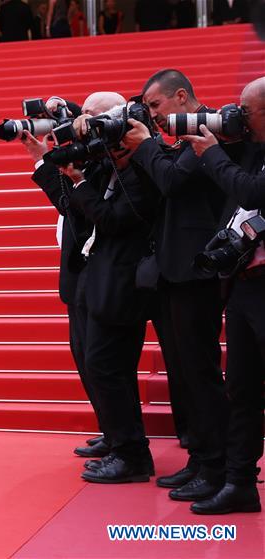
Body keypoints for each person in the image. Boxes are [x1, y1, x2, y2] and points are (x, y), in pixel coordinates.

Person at [122, 69, 229, 501]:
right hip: (175, 269)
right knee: (186, 373)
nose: (152, 115)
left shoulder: (211, 128)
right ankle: (201, 459)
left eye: (156, 105)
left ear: (181, 96)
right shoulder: (181, 140)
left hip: (197, 272)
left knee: (201, 372)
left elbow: (172, 181)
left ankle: (217, 466)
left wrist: (146, 145)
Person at [21, 92, 126, 460]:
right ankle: (111, 432)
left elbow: (85, 208)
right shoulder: (85, 158)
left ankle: (124, 442)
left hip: (104, 274)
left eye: (91, 116)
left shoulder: (114, 160)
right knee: (85, 357)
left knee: (103, 362)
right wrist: (44, 157)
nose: (83, 123)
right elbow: (67, 204)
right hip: (78, 275)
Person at [180, 77, 264, 515]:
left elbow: (252, 192)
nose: (240, 118)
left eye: (246, 112)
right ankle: (239, 483)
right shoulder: (252, 149)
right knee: (241, 389)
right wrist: (225, 142)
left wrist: (211, 152)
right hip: (244, 283)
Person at [65, 106, 161, 483]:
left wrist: (79, 182)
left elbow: (113, 219)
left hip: (123, 288)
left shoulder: (141, 174)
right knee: (104, 367)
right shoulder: (109, 169)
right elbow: (73, 205)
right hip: (104, 284)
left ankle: (132, 455)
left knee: (107, 368)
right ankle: (125, 448)